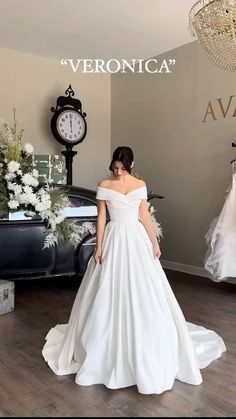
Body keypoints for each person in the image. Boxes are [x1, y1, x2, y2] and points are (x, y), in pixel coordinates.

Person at [42, 145, 226, 395]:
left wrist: (154, 242)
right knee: (108, 288)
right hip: (114, 238)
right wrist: (98, 248)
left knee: (144, 290)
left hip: (137, 240)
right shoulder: (104, 184)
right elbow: (101, 218)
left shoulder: (140, 185)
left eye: (122, 168)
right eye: (115, 168)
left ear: (131, 165)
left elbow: (144, 216)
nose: (118, 172)